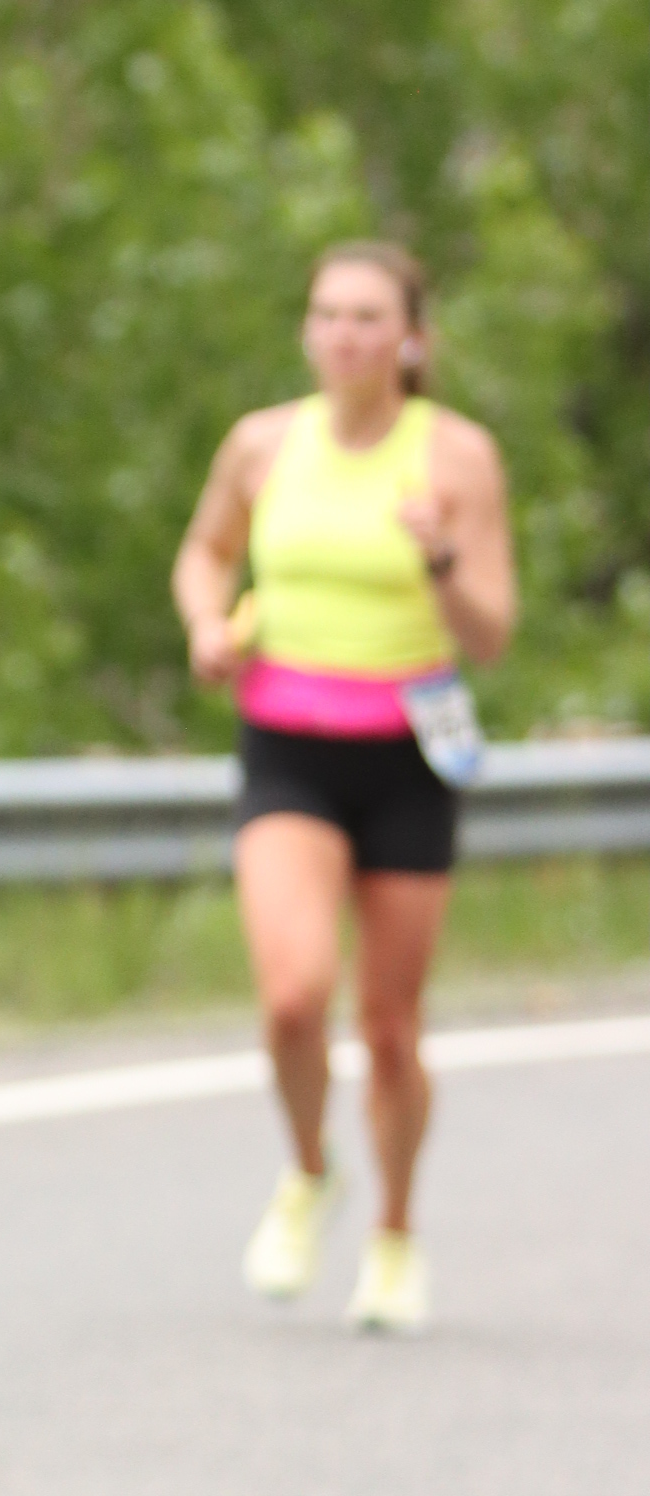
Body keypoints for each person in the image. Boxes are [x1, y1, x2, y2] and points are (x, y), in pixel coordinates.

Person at [172, 241, 516, 1331]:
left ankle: (396, 1234)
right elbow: (204, 553)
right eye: (327, 314)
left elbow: (491, 635)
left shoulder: (456, 456)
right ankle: (312, 1171)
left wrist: (441, 560)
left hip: (408, 753)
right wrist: (206, 625)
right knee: (292, 999)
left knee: (391, 1024)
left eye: (369, 317)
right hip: (288, 749)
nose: (344, 335)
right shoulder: (263, 443)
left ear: (410, 338)